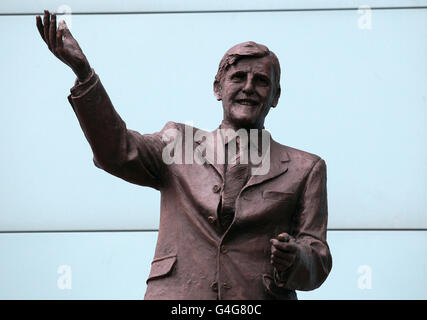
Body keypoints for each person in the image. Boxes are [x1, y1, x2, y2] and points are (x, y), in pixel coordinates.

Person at [36, 10, 332, 300]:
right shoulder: (178, 144)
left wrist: (295, 259)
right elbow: (116, 150)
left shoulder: (306, 168)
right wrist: (84, 74)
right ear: (217, 88)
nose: (248, 88)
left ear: (275, 96)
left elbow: (317, 257)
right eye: (238, 77)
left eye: (261, 81)